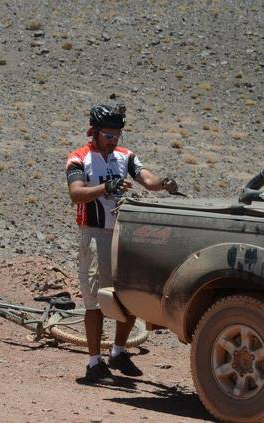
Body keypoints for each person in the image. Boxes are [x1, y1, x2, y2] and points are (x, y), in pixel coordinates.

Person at [65, 103, 178, 384]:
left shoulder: (125, 157)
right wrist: (108, 187)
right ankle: (94, 362)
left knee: (127, 295)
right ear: (93, 132)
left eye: (117, 135)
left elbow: (147, 179)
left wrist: (163, 183)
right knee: (94, 300)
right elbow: (77, 194)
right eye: (108, 135)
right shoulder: (79, 158)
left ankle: (118, 352)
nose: (113, 140)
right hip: (94, 234)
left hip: (124, 235)